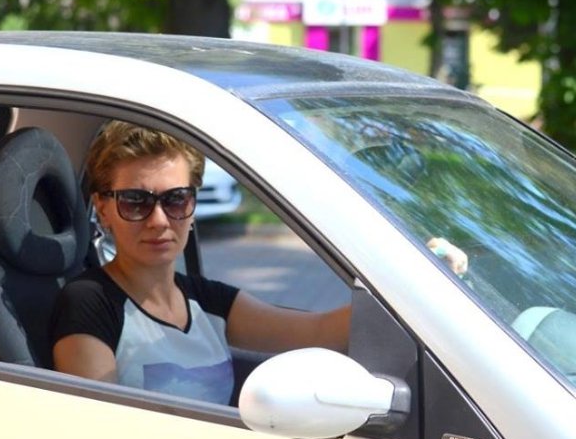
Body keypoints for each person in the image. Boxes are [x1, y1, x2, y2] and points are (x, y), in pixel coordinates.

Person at [50, 121, 466, 406]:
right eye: (135, 201)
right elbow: (97, 429)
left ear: (192, 207)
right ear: (103, 208)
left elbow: (321, 332)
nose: (159, 220)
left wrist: (419, 283)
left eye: (176, 199)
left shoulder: (207, 301)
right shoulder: (89, 302)